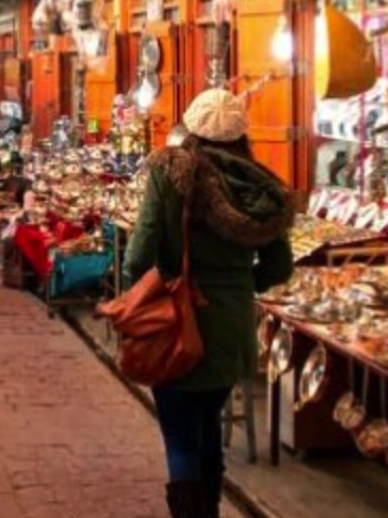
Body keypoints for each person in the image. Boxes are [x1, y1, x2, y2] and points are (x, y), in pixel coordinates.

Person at [99, 88, 293, 518]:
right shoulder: (260, 187)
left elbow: (137, 256)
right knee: (210, 432)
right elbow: (279, 266)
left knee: (182, 440)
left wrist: (146, 296)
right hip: (233, 330)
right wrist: (241, 284)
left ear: (192, 129)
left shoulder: (172, 175)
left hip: (177, 327)